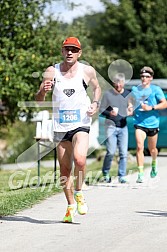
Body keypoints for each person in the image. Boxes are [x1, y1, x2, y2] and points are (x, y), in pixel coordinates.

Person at [35, 37, 101, 223]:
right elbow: (39, 99)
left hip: (81, 122)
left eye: (74, 49)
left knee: (80, 159)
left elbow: (97, 89)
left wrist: (95, 103)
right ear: (62, 51)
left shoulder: (87, 71)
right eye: (67, 49)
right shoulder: (51, 71)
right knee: (65, 170)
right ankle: (71, 204)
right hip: (60, 126)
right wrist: (43, 91)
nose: (70, 52)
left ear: (79, 53)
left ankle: (79, 192)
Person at [131, 66, 166, 183]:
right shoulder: (135, 89)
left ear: (151, 78)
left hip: (153, 124)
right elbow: (130, 102)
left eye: (146, 76)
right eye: (142, 76)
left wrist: (151, 107)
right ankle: (140, 174)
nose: (144, 78)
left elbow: (164, 104)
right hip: (139, 123)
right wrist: (130, 107)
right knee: (140, 146)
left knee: (152, 149)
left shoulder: (156, 89)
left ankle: (154, 164)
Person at [99, 73, 132, 184]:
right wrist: (110, 113)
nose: (118, 84)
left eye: (120, 82)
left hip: (123, 127)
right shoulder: (108, 94)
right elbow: (101, 109)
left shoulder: (128, 94)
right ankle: (106, 173)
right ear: (113, 83)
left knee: (123, 153)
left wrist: (131, 110)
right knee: (111, 152)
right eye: (116, 82)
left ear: (123, 83)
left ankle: (122, 176)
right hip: (110, 126)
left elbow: (131, 107)